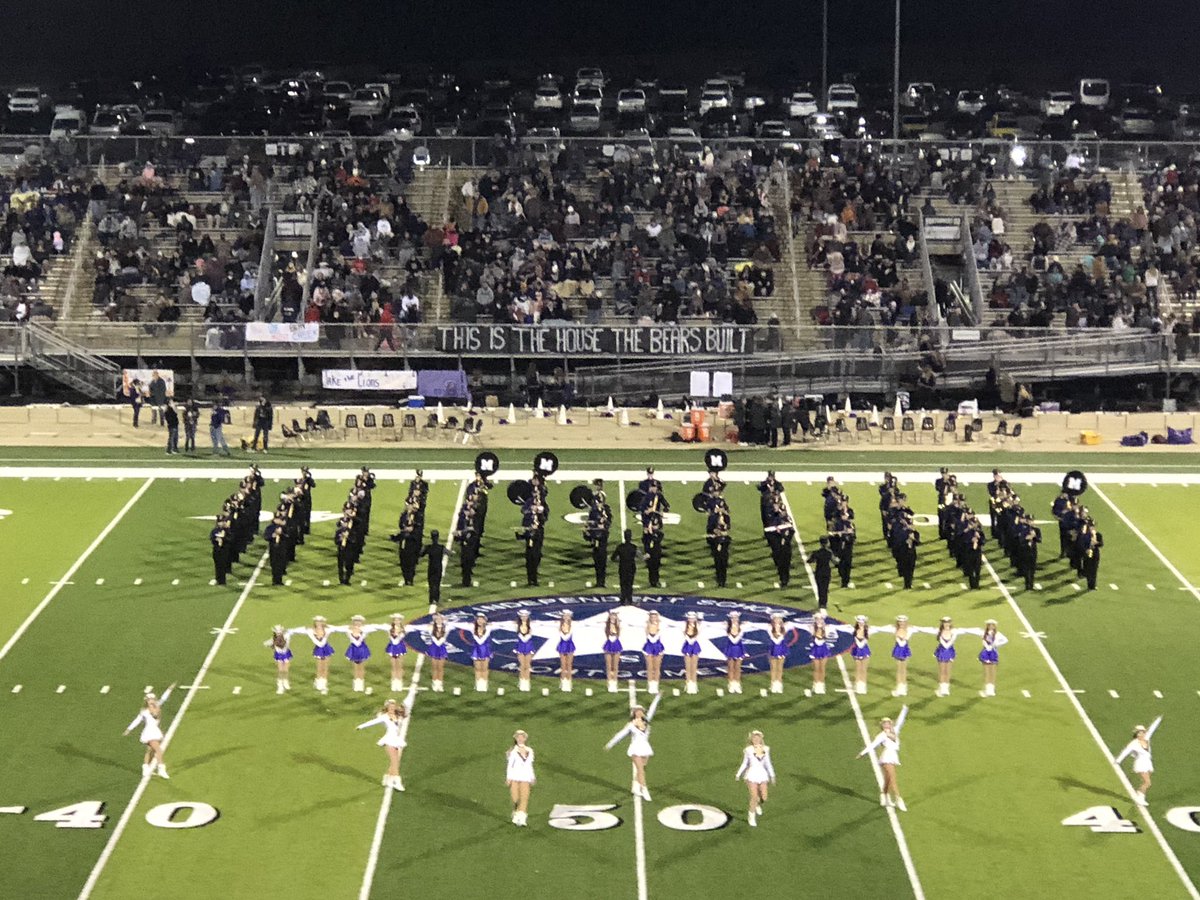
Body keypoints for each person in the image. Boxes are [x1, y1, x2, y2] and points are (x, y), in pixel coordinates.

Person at [605, 693, 662, 801]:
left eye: (641, 710)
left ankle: (635, 785)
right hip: (635, 748)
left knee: (642, 769)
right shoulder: (631, 724)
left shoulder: (647, 720)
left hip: (645, 748)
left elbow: (652, 709)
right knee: (640, 770)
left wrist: (657, 697)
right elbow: (621, 734)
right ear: (634, 713)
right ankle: (644, 789)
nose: (640, 712)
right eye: (637, 711)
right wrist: (610, 744)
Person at [857, 706, 910, 811]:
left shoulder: (895, 731)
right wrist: (863, 753)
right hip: (886, 757)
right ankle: (899, 800)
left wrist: (904, 709)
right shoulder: (882, 735)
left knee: (888, 779)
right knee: (892, 778)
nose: (887, 724)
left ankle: (883, 795)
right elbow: (872, 745)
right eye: (885, 723)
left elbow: (900, 721)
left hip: (893, 756)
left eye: (888, 722)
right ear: (882, 725)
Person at [122, 684, 177, 779]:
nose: (152, 700)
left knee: (150, 751)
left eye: (153, 699)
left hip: (155, 731)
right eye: (150, 699)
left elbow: (164, 698)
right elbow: (137, 720)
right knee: (158, 750)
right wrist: (129, 729)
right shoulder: (144, 711)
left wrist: (169, 689)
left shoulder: (157, 706)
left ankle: (145, 768)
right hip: (149, 733)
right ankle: (161, 769)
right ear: (147, 701)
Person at [356, 698, 408, 792]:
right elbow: (372, 722)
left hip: (396, 740)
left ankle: (387, 778)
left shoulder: (398, 715)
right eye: (390, 706)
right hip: (389, 740)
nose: (392, 708)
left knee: (395, 761)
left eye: (393, 706)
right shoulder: (384, 716)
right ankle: (397, 782)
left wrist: (403, 708)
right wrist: (361, 726)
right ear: (387, 707)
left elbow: (405, 714)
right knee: (395, 762)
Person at [1114, 717, 1163, 806]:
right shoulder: (1134, 743)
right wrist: (1118, 761)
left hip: (1147, 763)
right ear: (1137, 734)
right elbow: (1126, 751)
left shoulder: (1147, 738)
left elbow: (1152, 729)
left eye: (1143, 732)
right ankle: (1139, 796)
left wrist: (1159, 719)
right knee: (1147, 782)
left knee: (1147, 782)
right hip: (1140, 764)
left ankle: (1141, 796)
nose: (1142, 734)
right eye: (1140, 733)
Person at [735, 730, 777, 827]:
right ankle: (751, 815)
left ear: (761, 739)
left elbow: (768, 763)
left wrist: (772, 775)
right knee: (754, 797)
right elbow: (745, 763)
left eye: (758, 738)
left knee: (764, 797)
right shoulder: (748, 750)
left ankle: (757, 804)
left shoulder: (766, 749)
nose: (756, 739)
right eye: (754, 738)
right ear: (751, 739)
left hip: (762, 774)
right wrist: (738, 774)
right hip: (752, 774)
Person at [292, 615, 340, 694]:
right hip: (318, 650)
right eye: (317, 622)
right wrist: (290, 631)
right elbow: (300, 630)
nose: (319, 623)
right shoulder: (311, 630)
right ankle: (318, 682)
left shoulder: (327, 629)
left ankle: (324, 685)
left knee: (325, 667)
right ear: (315, 622)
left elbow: (338, 628)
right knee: (319, 667)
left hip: (326, 649)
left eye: (320, 621)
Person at [345, 615, 386, 693]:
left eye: (359, 622)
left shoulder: (365, 629)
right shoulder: (349, 630)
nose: (357, 624)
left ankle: (361, 683)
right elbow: (338, 628)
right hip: (353, 649)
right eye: (355, 622)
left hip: (362, 649)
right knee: (355, 666)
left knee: (361, 666)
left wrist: (385, 626)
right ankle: (356, 683)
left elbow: (375, 627)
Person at [505, 730, 536, 826]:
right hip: (515, 776)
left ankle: (522, 818)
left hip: (525, 777)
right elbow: (510, 765)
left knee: (524, 797)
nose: (520, 739)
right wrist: (508, 777)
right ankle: (516, 812)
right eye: (518, 737)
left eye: (522, 737)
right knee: (515, 797)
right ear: (515, 738)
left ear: (525, 739)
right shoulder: (512, 751)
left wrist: (532, 777)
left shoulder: (530, 750)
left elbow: (530, 765)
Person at [766, 613, 791, 694]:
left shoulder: (785, 627)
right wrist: (750, 623)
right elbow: (758, 625)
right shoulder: (769, 627)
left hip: (782, 648)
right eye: (775, 619)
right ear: (773, 620)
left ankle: (779, 684)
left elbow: (794, 624)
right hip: (773, 648)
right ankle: (773, 684)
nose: (777, 620)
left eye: (779, 619)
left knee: (780, 667)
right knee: (773, 667)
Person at [265, 626, 294, 694]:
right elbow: (266, 643)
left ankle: (285, 681)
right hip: (279, 655)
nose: (278, 633)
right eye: (277, 632)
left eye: (279, 632)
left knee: (286, 669)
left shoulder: (286, 636)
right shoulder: (273, 639)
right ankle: (280, 685)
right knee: (280, 670)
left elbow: (284, 645)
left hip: (286, 654)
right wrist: (271, 644)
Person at [612, 529, 638, 605]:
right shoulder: (634, 547)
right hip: (631, 567)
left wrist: (620, 559)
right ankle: (629, 599)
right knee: (630, 584)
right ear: (631, 537)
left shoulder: (620, 547)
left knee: (623, 583)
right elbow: (640, 557)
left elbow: (613, 558)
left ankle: (622, 600)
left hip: (622, 567)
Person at [723, 611, 747, 694]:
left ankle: (737, 683)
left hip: (739, 648)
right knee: (730, 667)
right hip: (730, 648)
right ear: (730, 618)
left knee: (738, 667)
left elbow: (736, 639)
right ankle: (731, 684)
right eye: (733, 617)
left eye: (736, 617)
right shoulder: (727, 626)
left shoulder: (742, 627)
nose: (734, 619)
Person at [421, 530, 446, 606]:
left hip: (431, 567)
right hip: (438, 567)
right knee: (437, 583)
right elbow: (449, 553)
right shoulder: (441, 547)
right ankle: (436, 599)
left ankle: (431, 599)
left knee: (431, 584)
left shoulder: (428, 547)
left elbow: (421, 554)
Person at [642, 611, 664, 695]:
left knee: (657, 667)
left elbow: (659, 635)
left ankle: (656, 685)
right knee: (650, 667)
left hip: (658, 647)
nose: (653, 618)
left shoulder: (661, 626)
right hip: (649, 647)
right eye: (652, 616)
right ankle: (650, 685)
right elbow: (648, 634)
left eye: (655, 616)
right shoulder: (646, 625)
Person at [470, 613, 493, 693]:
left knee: (485, 668)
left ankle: (484, 684)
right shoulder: (473, 628)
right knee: (477, 668)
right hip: (476, 650)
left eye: (481, 619)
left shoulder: (488, 628)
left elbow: (482, 641)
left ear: (485, 620)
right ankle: (478, 684)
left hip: (485, 650)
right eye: (478, 619)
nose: (479, 621)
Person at [425, 614, 449, 692]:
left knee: (441, 667)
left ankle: (440, 683)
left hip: (442, 648)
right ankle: (435, 683)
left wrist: (445, 619)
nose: (439, 620)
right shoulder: (431, 627)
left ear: (442, 620)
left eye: (440, 619)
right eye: (437, 619)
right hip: (434, 648)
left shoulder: (446, 627)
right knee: (435, 667)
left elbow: (451, 624)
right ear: (435, 620)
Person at [934, 616, 956, 696]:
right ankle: (941, 687)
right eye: (944, 623)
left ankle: (946, 687)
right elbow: (927, 629)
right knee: (942, 670)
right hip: (941, 651)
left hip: (949, 652)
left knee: (948, 669)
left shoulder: (954, 631)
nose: (946, 624)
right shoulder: (939, 631)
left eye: (948, 622)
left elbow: (965, 631)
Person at [681, 611, 703, 694]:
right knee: (688, 666)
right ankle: (688, 684)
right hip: (687, 646)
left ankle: (694, 684)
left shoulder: (698, 625)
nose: (691, 619)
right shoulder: (684, 625)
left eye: (693, 618)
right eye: (690, 618)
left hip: (694, 646)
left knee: (694, 666)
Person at [890, 615, 912, 697]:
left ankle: (903, 688)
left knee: (903, 668)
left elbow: (920, 629)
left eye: (903, 622)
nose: (901, 623)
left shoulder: (909, 629)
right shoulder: (894, 629)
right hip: (898, 650)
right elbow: (882, 628)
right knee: (899, 669)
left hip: (905, 650)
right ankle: (900, 688)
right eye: (900, 622)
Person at [514, 610, 535, 692]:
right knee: (522, 665)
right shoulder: (516, 625)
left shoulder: (532, 624)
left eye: (525, 616)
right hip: (520, 647)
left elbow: (542, 623)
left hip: (529, 647)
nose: (524, 617)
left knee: (527, 665)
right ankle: (522, 682)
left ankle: (527, 682)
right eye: (522, 616)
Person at [978, 619, 1000, 697]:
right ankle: (987, 689)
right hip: (986, 652)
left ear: (994, 626)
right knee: (987, 671)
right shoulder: (984, 633)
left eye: (992, 625)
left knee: (993, 671)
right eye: (989, 625)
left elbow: (1004, 640)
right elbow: (983, 641)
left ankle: (992, 689)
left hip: (993, 653)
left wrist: (995, 645)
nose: (991, 626)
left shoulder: (997, 634)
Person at [603, 610, 623, 693]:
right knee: (609, 665)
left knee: (615, 665)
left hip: (616, 645)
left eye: (614, 616)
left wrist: (617, 623)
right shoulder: (607, 626)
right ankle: (609, 683)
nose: (613, 617)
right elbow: (607, 634)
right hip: (609, 645)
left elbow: (618, 634)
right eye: (611, 615)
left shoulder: (618, 626)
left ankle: (614, 682)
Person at [556, 611, 576, 692]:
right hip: (562, 645)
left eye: (568, 616)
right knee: (563, 665)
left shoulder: (573, 625)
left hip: (569, 645)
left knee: (569, 665)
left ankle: (569, 682)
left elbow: (568, 635)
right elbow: (563, 636)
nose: (566, 617)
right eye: (565, 616)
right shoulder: (560, 625)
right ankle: (563, 682)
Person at [850, 615, 871, 695]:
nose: (861, 624)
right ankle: (858, 685)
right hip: (857, 650)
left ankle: (863, 685)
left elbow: (880, 629)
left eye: (862, 622)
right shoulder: (854, 629)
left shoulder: (868, 630)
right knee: (858, 668)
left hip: (865, 650)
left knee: (864, 669)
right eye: (859, 622)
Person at [811, 536, 833, 609]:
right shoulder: (829, 553)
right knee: (825, 588)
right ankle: (824, 603)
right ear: (827, 543)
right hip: (827, 571)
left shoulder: (816, 552)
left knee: (820, 588)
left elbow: (810, 560)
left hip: (819, 571)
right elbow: (835, 561)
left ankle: (821, 603)